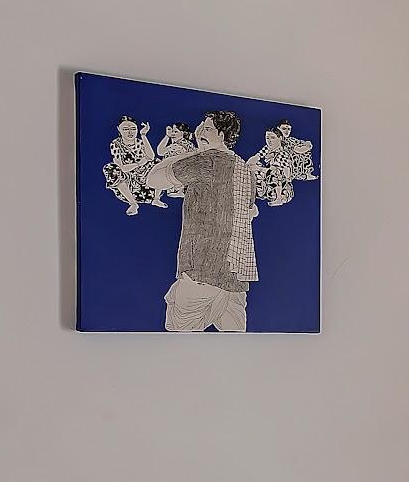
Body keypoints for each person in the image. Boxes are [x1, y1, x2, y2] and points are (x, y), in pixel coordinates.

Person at [141, 112, 260, 332]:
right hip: (235, 279)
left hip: (201, 270)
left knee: (179, 338)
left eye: (206, 129)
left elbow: (153, 178)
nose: (199, 131)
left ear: (222, 136)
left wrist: (195, 151)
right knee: (237, 345)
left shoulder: (205, 160)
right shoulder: (245, 170)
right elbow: (249, 211)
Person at [251, 120, 316, 207]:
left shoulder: (284, 151)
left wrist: (308, 146)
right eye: (267, 138)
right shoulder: (268, 148)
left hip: (283, 182)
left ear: (279, 138)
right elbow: (257, 157)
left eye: (272, 138)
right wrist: (247, 165)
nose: (269, 141)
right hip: (270, 177)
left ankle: (278, 199)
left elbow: (276, 170)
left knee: (274, 173)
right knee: (256, 166)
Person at [102, 117, 157, 214]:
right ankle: (133, 203)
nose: (130, 132)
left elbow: (151, 157)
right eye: (126, 129)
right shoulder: (116, 144)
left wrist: (143, 135)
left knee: (157, 162)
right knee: (110, 168)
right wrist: (139, 163)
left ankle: (156, 198)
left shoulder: (140, 142)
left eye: (133, 129)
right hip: (127, 182)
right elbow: (122, 168)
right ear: (119, 129)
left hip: (145, 179)